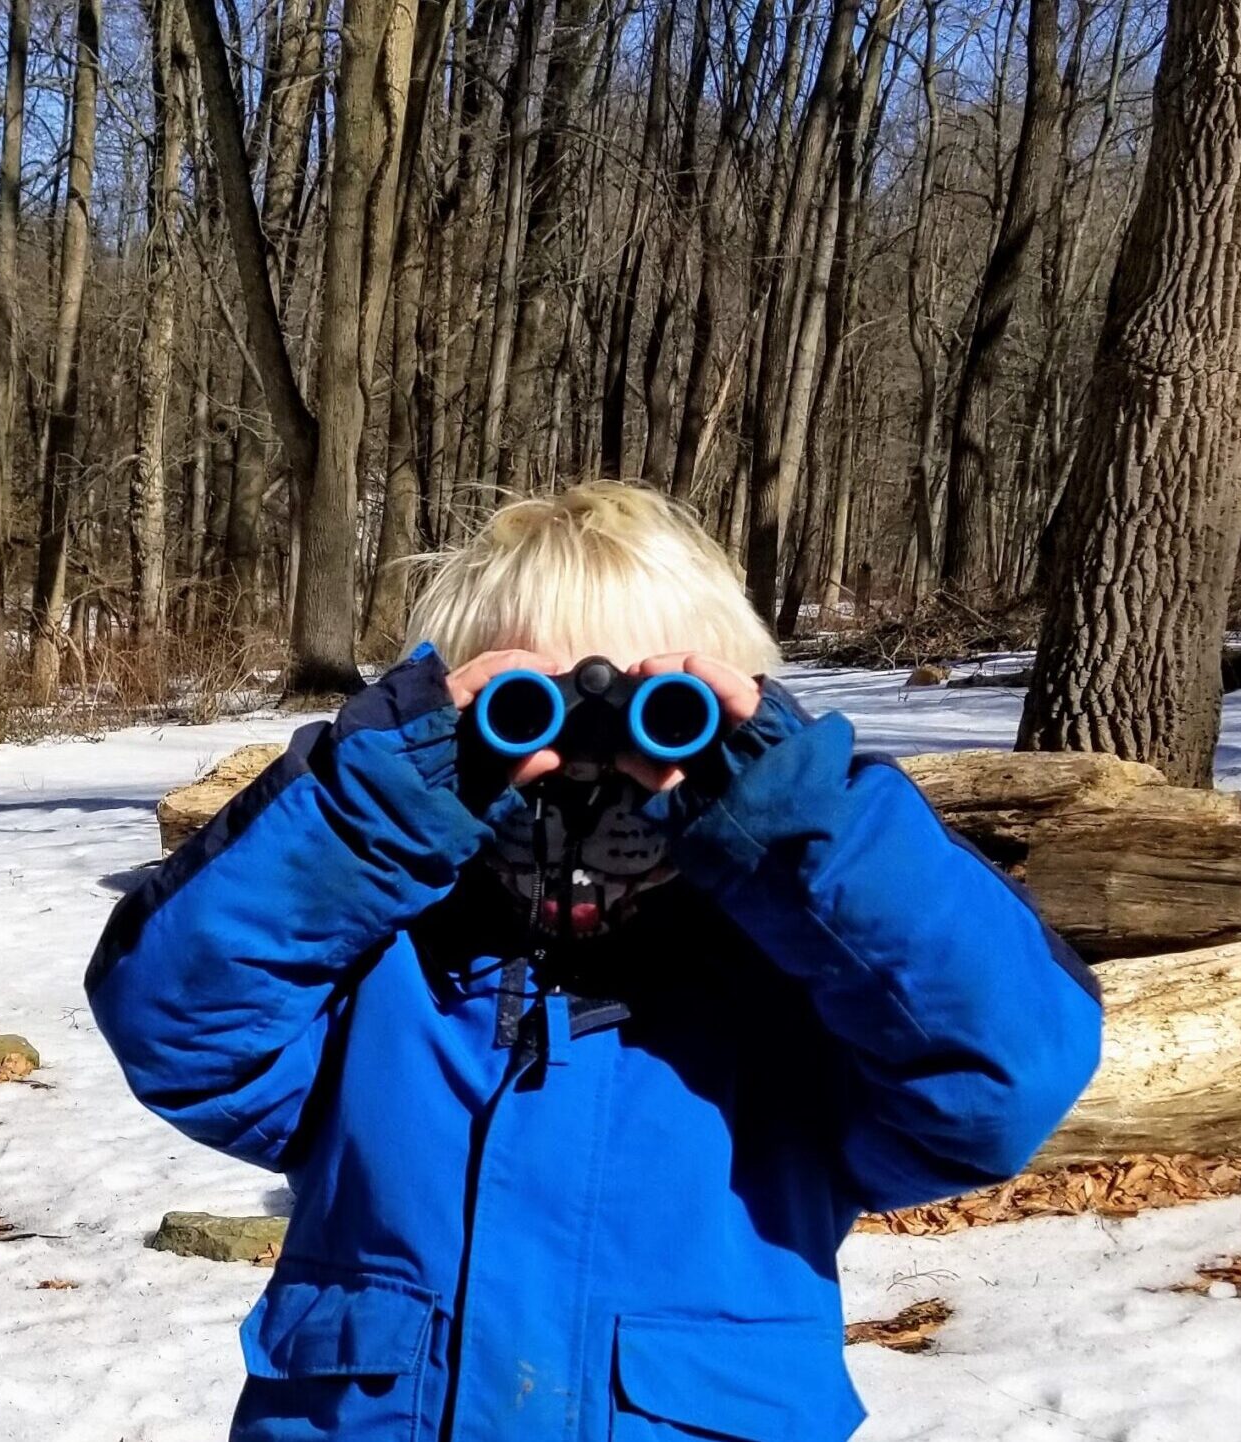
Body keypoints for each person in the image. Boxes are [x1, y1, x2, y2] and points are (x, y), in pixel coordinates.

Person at [85, 481, 1102, 1442]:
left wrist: (798, 819)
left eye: (665, 713)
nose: (586, 764)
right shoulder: (381, 972)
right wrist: (380, 803)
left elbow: (1002, 1071)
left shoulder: (792, 993)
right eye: (526, 707)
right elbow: (177, 1017)